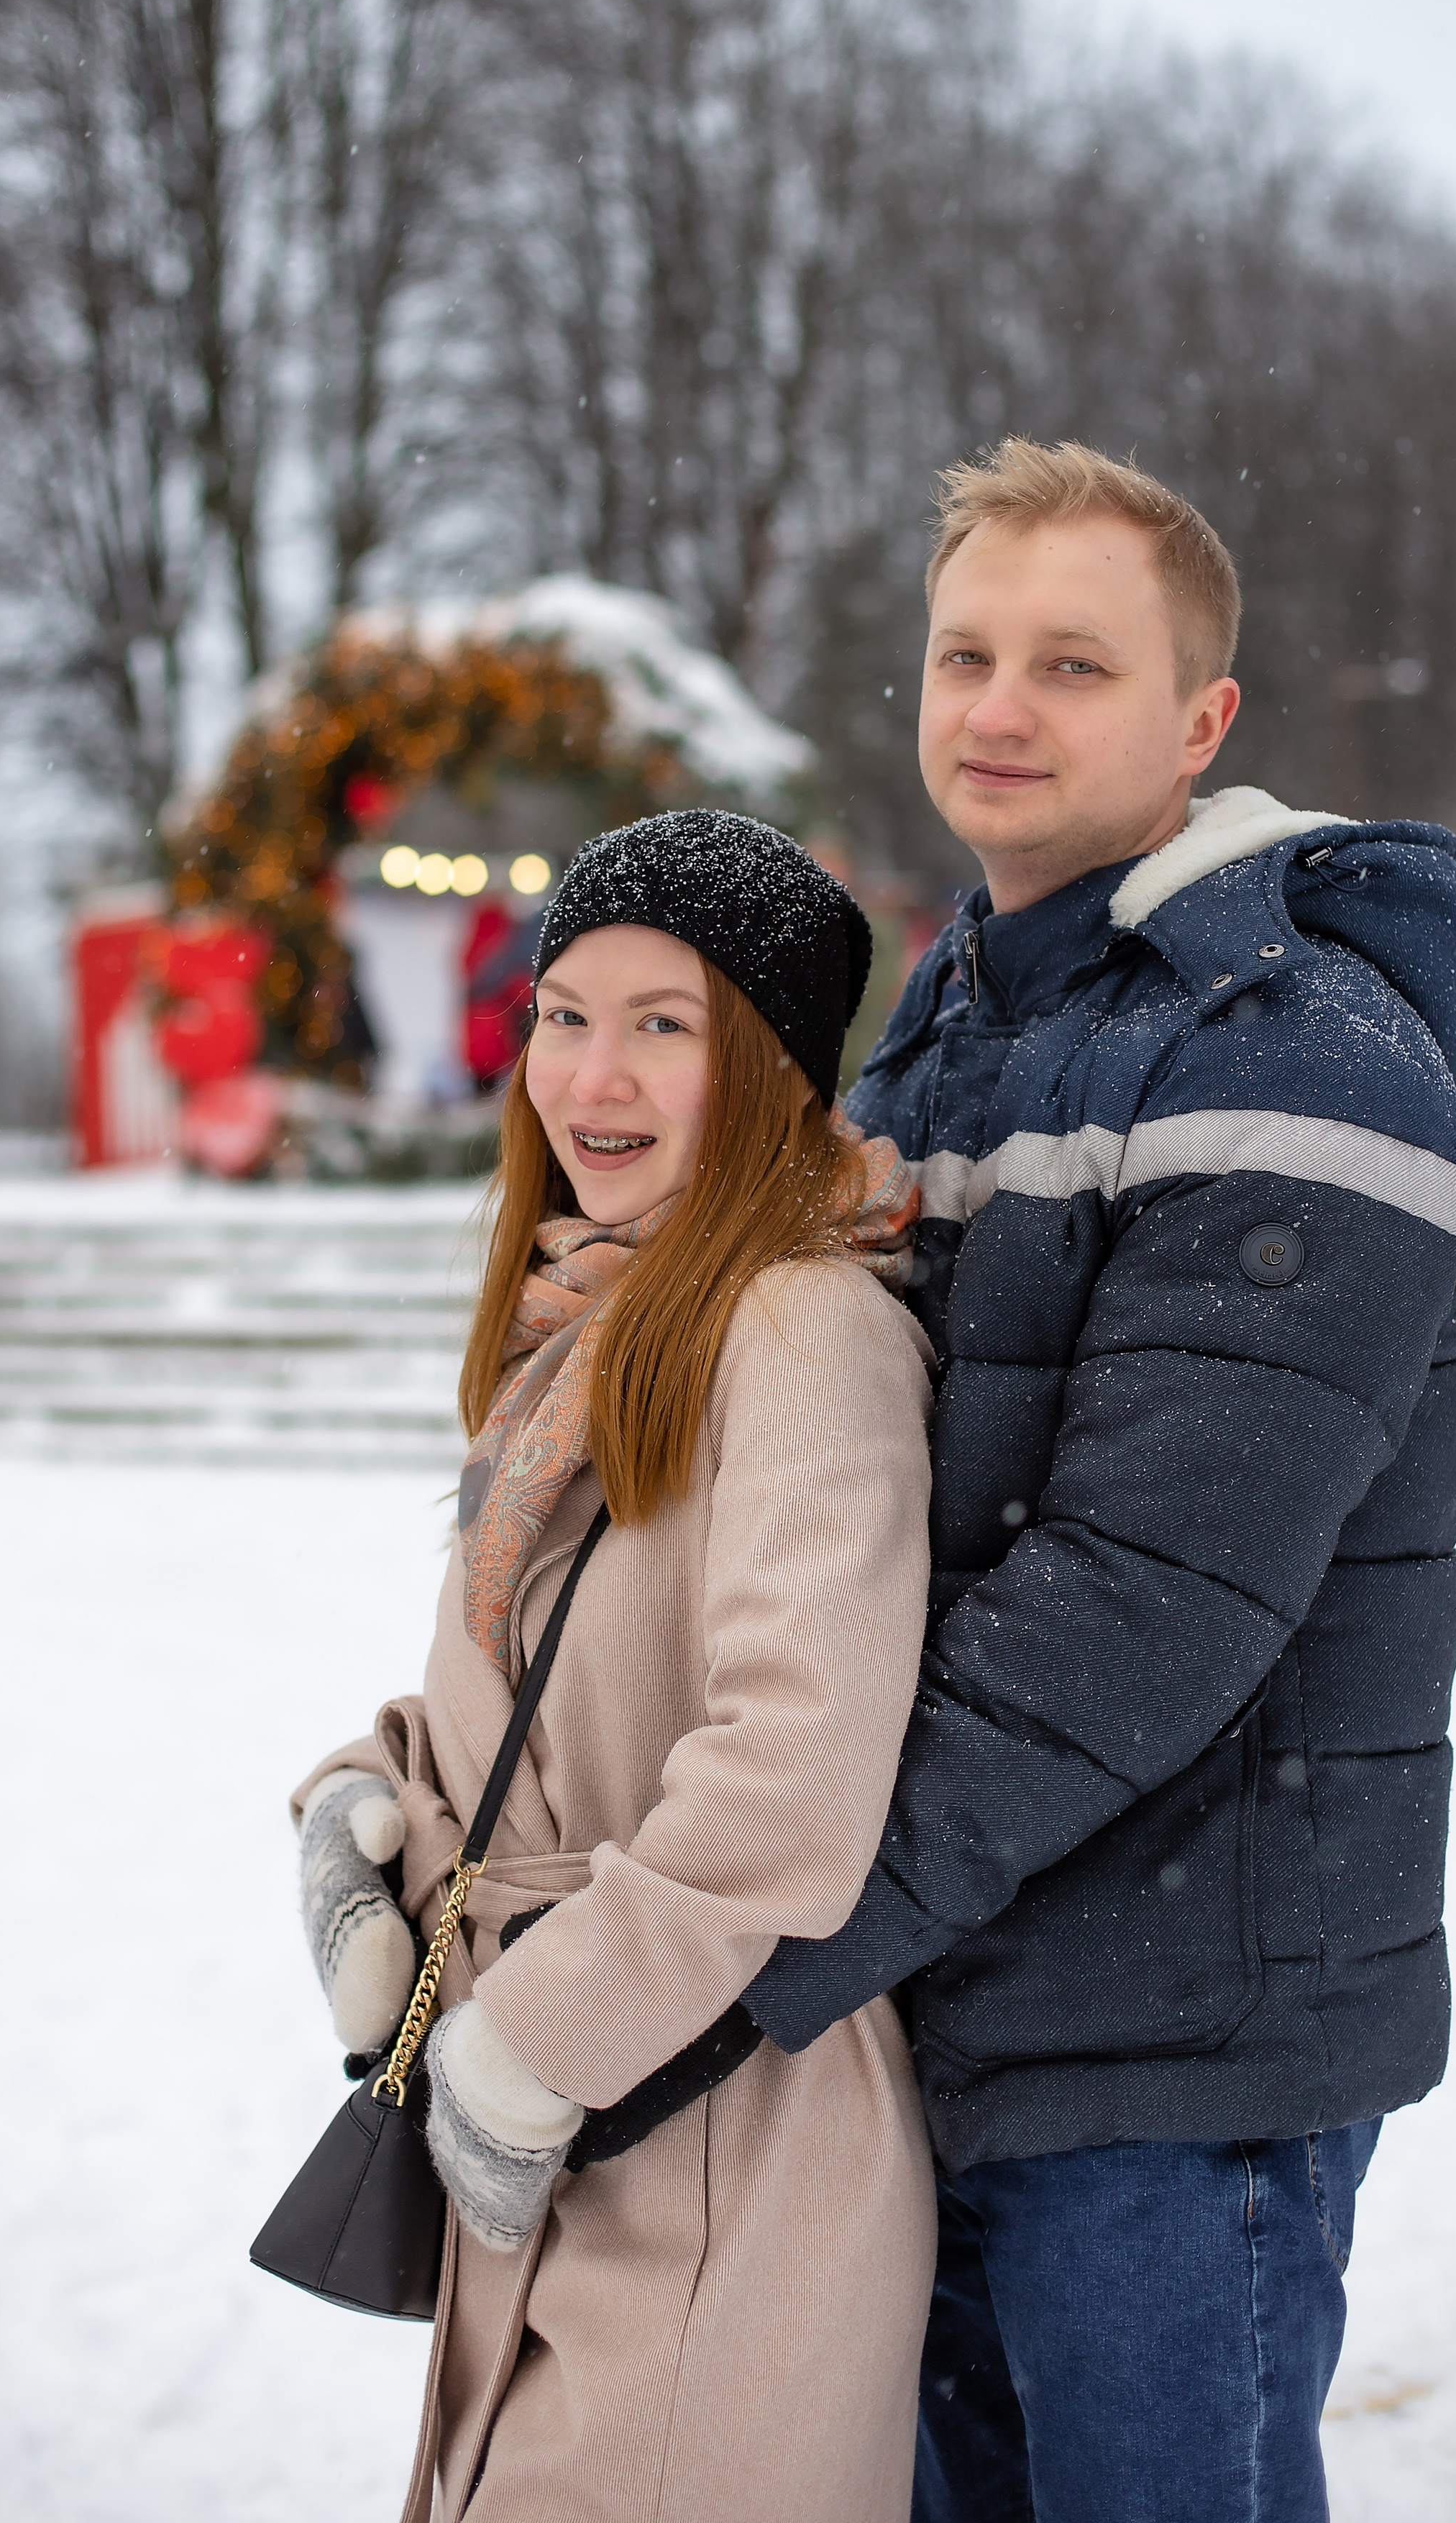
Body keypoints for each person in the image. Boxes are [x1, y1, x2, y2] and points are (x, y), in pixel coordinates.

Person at [742, 440, 1456, 2522]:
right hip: (963, 1988)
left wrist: (769, 1946)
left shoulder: (1298, 1053)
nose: (996, 707)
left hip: (1182, 2034)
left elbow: (1138, 1604)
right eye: (963, 653)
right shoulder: (941, 1036)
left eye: (1072, 664)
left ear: (1201, 720)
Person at [290, 812, 938, 2523]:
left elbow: (796, 1767)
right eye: (564, 1011)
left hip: (705, 2117)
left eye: (668, 1021)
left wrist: (534, 2047)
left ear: (778, 1067)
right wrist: (366, 1792)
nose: (593, 1070)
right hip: (573, 2086)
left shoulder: (799, 1322)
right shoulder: (587, 1319)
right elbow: (539, 1684)